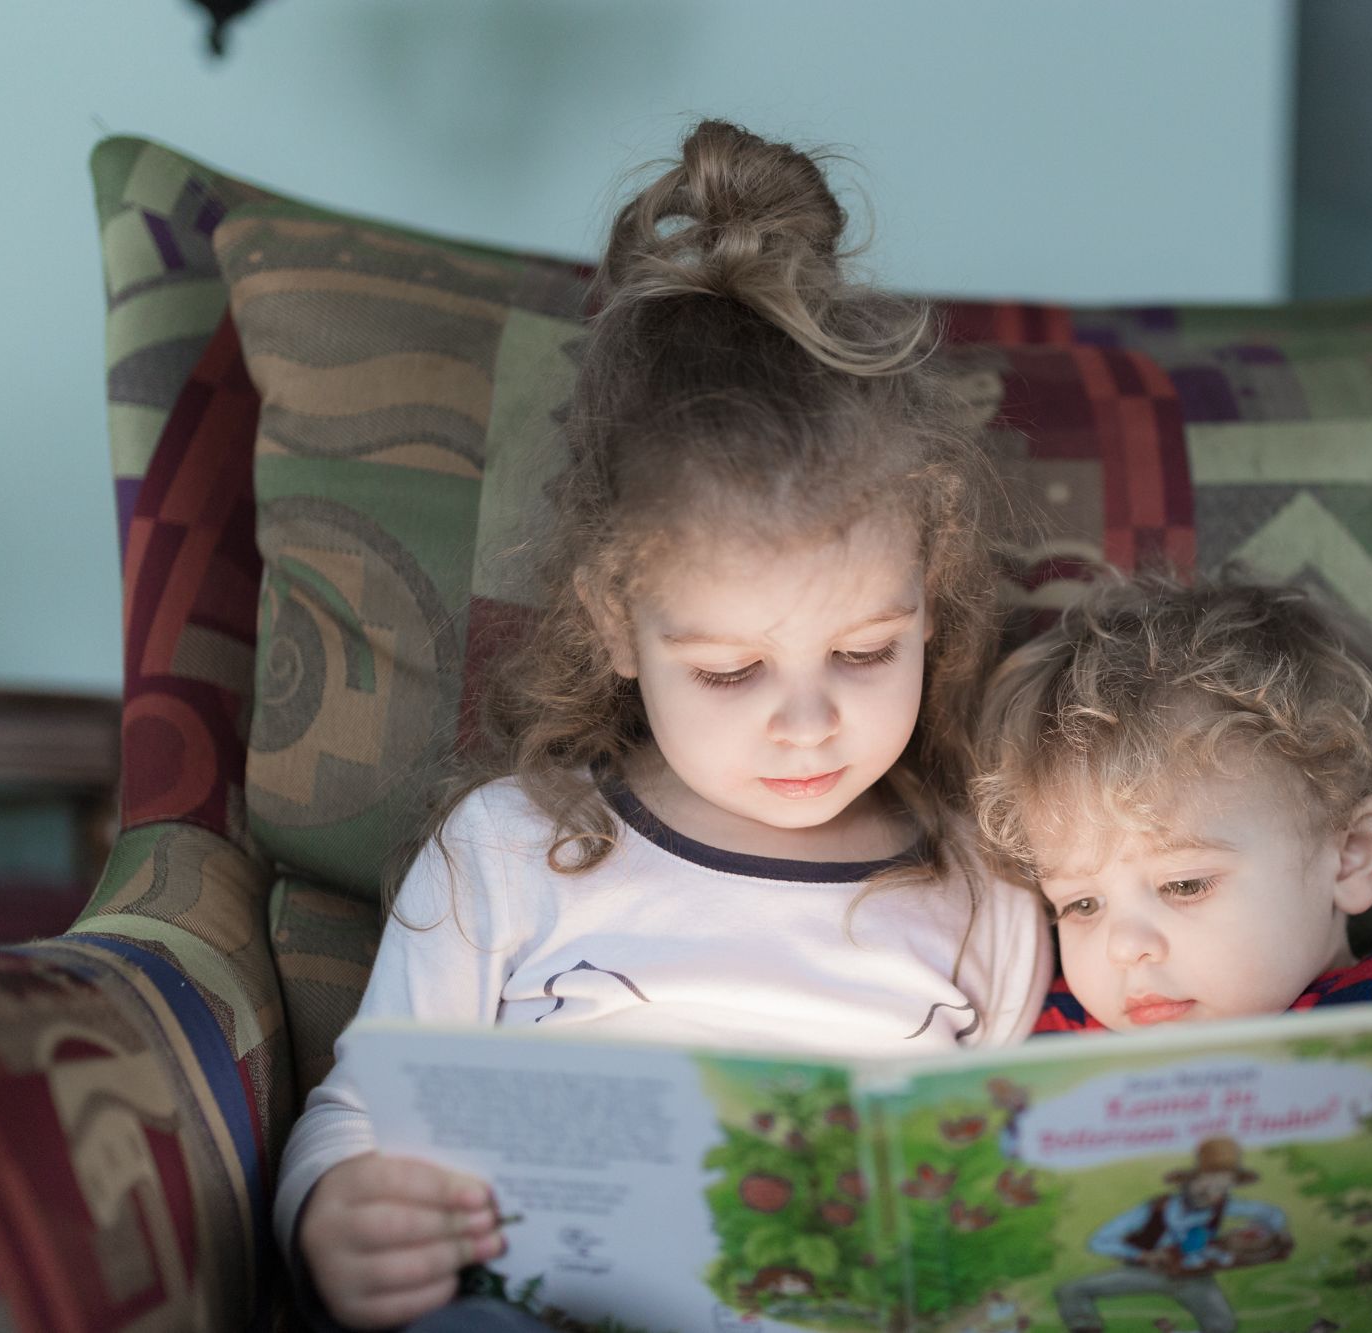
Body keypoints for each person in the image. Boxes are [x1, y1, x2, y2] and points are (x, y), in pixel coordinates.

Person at [275, 119, 1052, 1332]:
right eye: (731, 670)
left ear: (930, 600)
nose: (808, 723)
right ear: (612, 618)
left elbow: (1017, 1177)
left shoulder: (981, 881)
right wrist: (337, 1214)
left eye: (862, 652)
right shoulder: (512, 849)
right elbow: (366, 1113)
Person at [972, 570, 1372, 1333]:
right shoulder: (1060, 1038)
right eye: (1081, 903)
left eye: (1185, 883)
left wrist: (1234, 1146)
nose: (1123, 944)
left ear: (1351, 854)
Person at [1055, 1136, 1289, 1333]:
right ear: (1189, 1180)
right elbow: (1099, 1241)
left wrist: (1261, 1233)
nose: (1213, 1194)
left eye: (1222, 1187)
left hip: (1194, 1277)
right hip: (1148, 1271)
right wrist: (1143, 1256)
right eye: (1207, 1184)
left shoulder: (1223, 1205)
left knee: (1223, 1326)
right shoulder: (1157, 1208)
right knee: (1070, 1289)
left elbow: (1272, 1214)